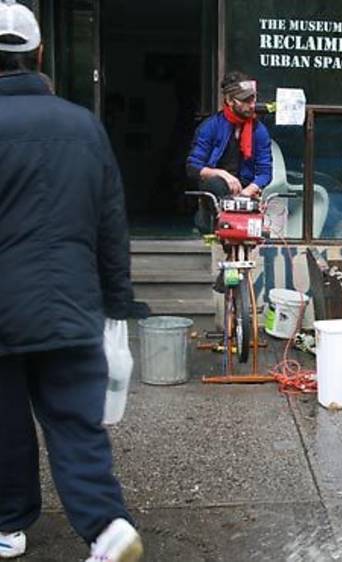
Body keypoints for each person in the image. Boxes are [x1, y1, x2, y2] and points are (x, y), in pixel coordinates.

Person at [0, 1, 143, 560]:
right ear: (39, 54)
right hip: (71, 306)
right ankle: (107, 528)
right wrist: (117, 300)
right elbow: (112, 224)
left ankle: (9, 526)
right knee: (76, 424)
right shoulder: (85, 127)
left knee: (4, 426)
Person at [186, 70, 273, 232]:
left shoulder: (259, 131)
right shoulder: (210, 127)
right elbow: (193, 167)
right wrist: (223, 174)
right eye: (245, 100)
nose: (252, 105)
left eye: (253, 99)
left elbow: (265, 172)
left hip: (246, 193)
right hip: (217, 195)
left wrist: (247, 193)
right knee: (215, 183)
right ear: (229, 101)